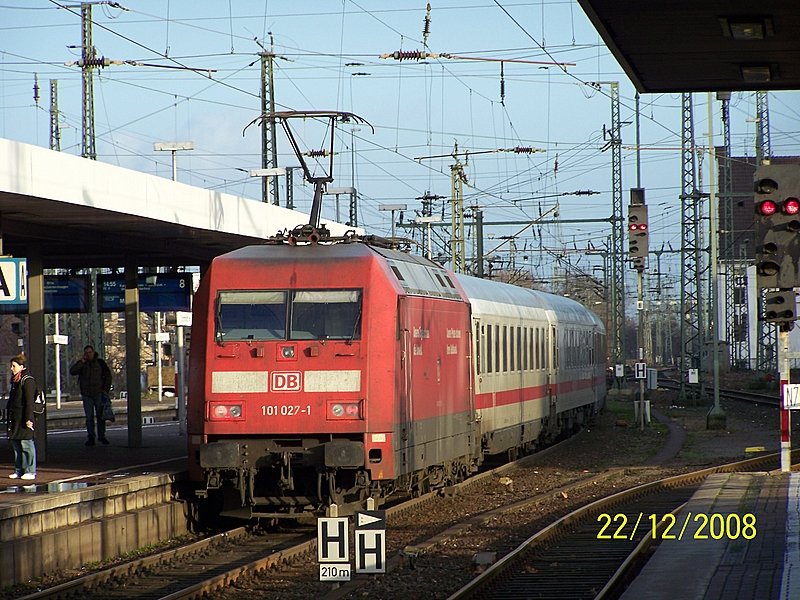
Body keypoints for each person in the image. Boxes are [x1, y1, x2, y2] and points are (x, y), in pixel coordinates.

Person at [69, 345, 112, 446]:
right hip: (87, 394)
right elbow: (72, 371)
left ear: (93, 352)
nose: (88, 355)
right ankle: (91, 437)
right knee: (89, 417)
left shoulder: (100, 363)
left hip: (98, 393)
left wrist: (105, 389)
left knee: (100, 416)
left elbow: (108, 376)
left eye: (90, 352)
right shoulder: (83, 364)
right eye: (86, 353)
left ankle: (102, 436)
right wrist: (81, 362)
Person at [6, 353, 37, 480]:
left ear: (22, 367)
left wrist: (29, 419)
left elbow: (29, 401)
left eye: (14, 366)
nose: (11, 368)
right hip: (15, 417)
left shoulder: (27, 380)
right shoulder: (15, 381)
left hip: (24, 417)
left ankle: (30, 470)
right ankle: (19, 469)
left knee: (26, 444)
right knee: (16, 444)